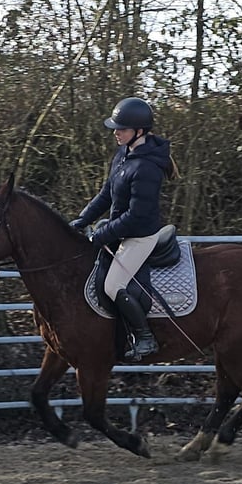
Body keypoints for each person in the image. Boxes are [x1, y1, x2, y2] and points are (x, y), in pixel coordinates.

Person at [70, 96, 178, 361]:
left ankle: (145, 337)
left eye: (122, 129)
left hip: (140, 236)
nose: (116, 133)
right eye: (116, 128)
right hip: (121, 229)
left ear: (139, 132)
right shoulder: (123, 155)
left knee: (113, 284)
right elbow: (107, 194)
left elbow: (136, 216)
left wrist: (103, 234)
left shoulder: (146, 168)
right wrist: (82, 220)